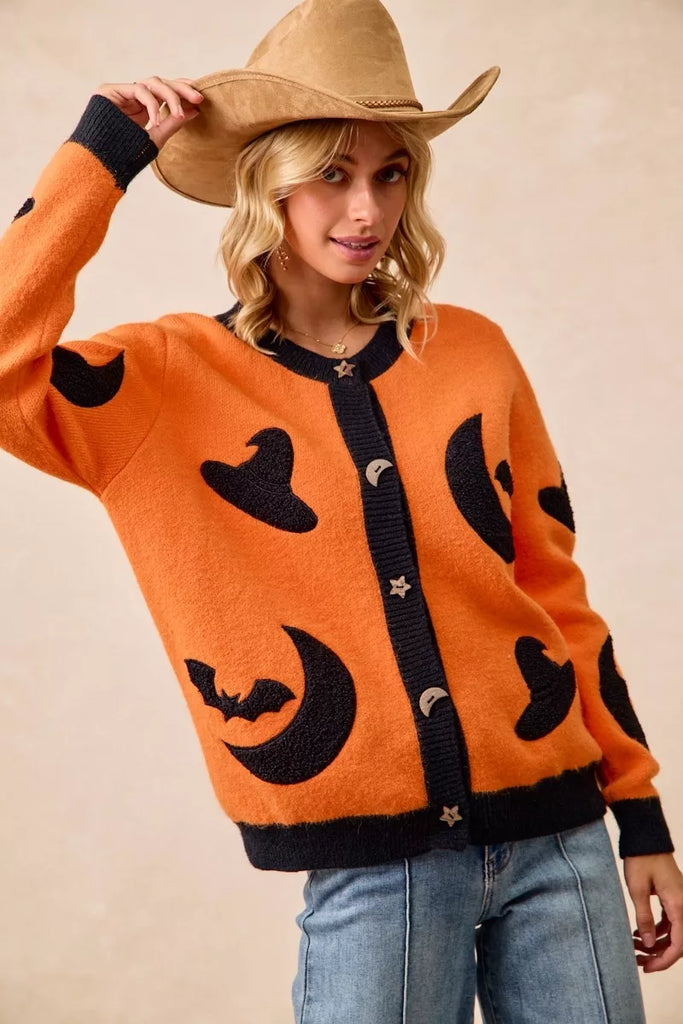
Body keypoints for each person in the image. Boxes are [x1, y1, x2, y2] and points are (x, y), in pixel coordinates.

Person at [1, 0, 681, 1020]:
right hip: (374, 872)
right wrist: (97, 160)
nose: (366, 209)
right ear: (265, 183)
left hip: (562, 846)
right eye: (330, 173)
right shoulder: (162, 380)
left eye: (390, 173)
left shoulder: (472, 352)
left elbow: (551, 589)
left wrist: (637, 812)